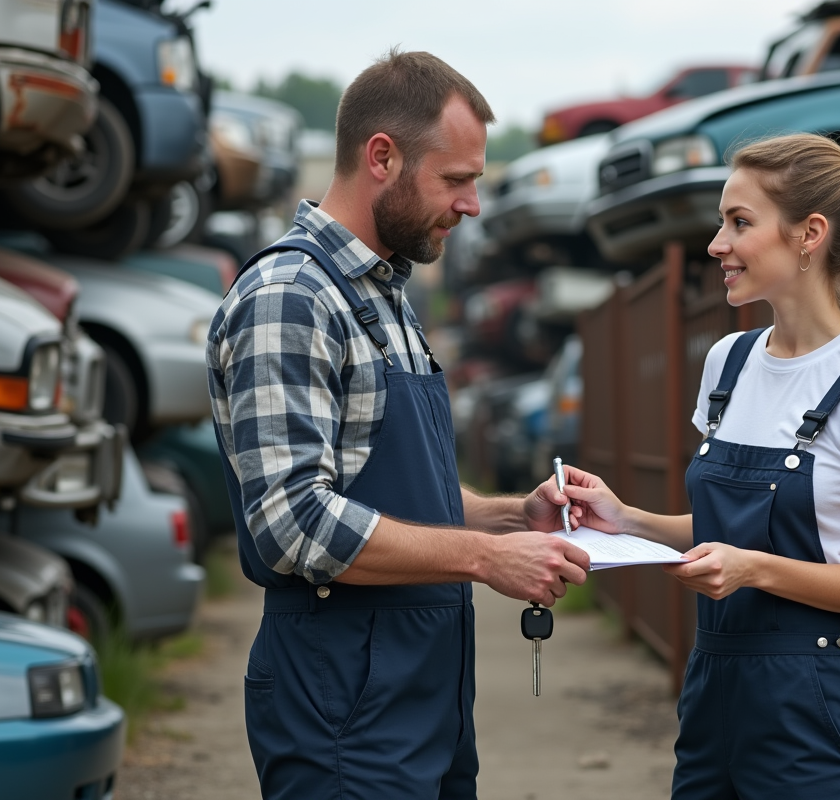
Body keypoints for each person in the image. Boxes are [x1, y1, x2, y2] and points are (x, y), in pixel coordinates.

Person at [206, 49, 590, 800]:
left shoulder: (383, 294)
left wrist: (513, 516)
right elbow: (293, 523)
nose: (472, 204)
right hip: (341, 701)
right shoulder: (291, 297)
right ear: (381, 156)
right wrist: (483, 558)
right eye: (456, 180)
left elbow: (392, 485)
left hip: (423, 697)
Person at [562, 133, 840, 798]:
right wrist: (625, 519)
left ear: (808, 234)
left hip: (814, 714)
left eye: (739, 223)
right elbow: (721, 530)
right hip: (713, 696)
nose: (716, 245)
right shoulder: (727, 362)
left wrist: (752, 570)